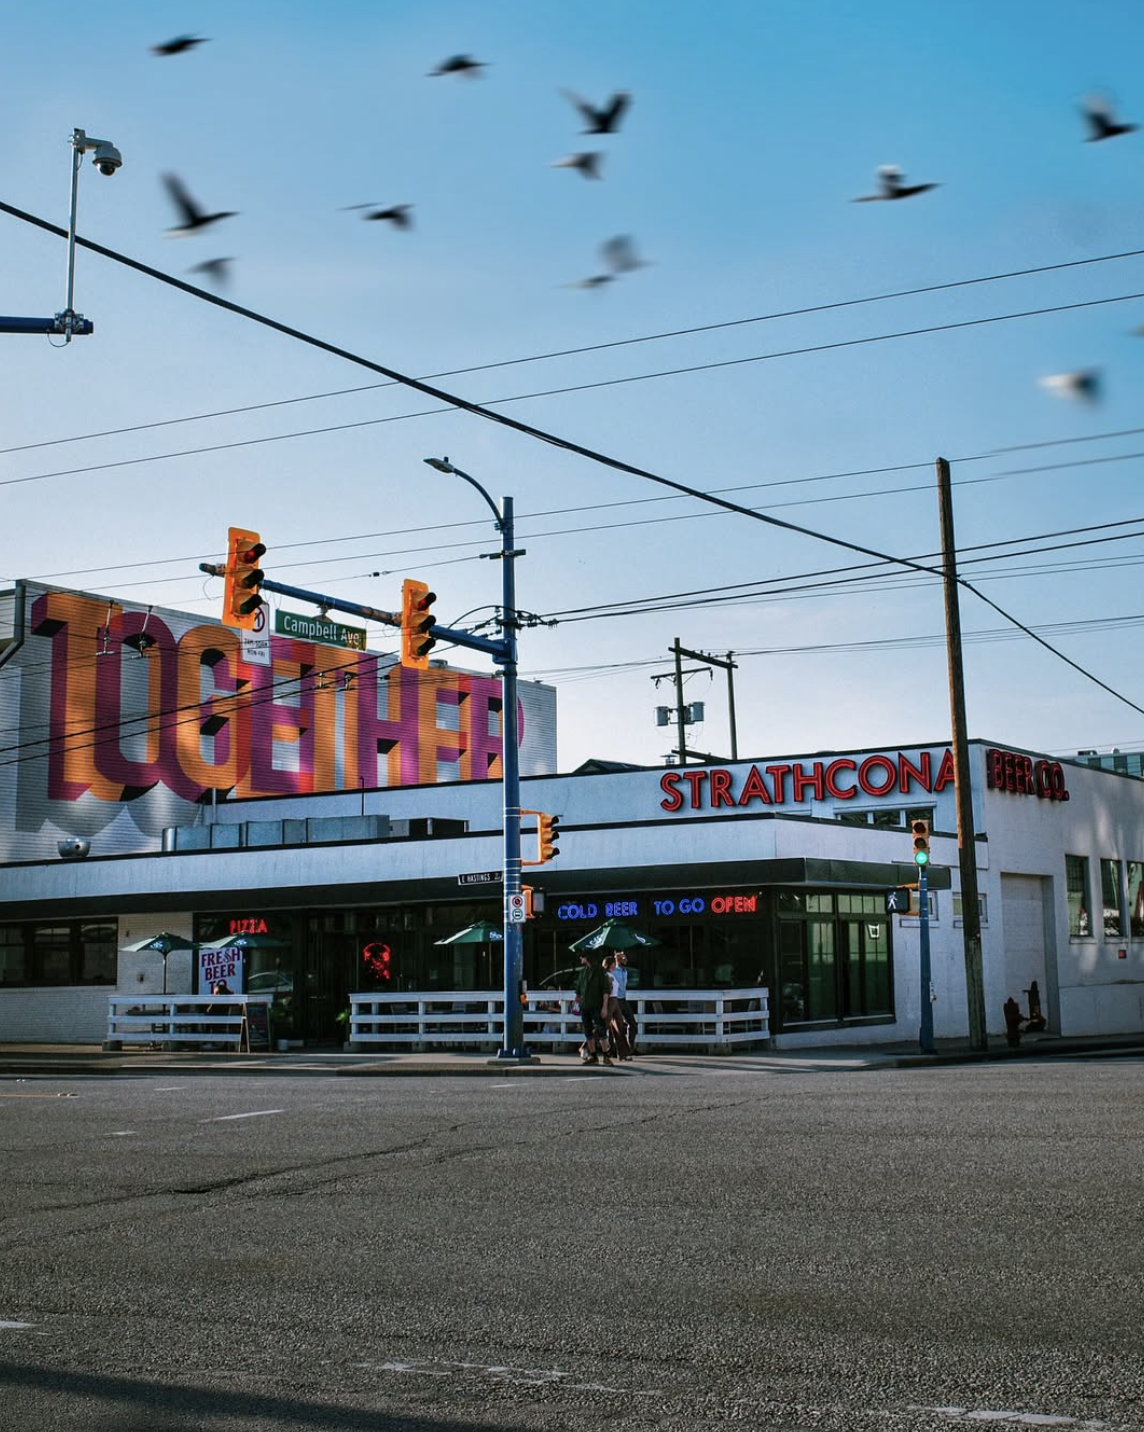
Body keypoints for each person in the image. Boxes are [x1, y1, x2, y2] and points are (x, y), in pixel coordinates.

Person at [574, 951, 612, 1065]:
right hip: (585, 1005)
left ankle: (606, 1056)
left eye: (583, 956)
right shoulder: (583, 972)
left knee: (601, 1030)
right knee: (588, 1031)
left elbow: (606, 990)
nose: (581, 958)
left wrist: (605, 1007)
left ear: (587, 958)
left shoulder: (600, 971)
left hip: (596, 1005)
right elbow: (579, 990)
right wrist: (576, 1003)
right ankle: (593, 1056)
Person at [602, 954, 631, 1061]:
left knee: (619, 1027)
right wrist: (604, 1006)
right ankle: (586, 1046)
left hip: (616, 1001)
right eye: (613, 963)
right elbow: (605, 991)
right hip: (610, 1001)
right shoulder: (606, 975)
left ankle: (623, 1053)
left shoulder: (611, 974)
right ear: (609, 965)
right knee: (603, 1025)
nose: (615, 965)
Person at [612, 950, 639, 1057]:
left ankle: (630, 1047)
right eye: (623, 958)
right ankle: (615, 1049)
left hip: (623, 999)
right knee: (617, 1026)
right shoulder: (614, 971)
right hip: (616, 1000)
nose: (625, 960)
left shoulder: (625, 971)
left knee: (632, 1024)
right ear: (617, 959)